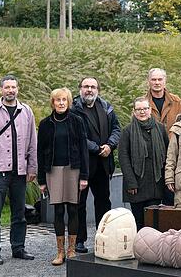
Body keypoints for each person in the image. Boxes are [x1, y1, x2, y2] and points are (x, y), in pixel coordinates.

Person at [0, 75, 37, 265]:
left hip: (19, 172)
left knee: (19, 214)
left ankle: (18, 247)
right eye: (7, 87)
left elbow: (32, 143)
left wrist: (32, 168)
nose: (10, 90)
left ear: (18, 89)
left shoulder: (26, 111)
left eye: (13, 87)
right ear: (1, 90)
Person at [37, 87, 89, 266]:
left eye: (64, 100)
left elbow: (83, 150)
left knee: (73, 209)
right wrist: (41, 179)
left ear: (68, 102)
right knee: (58, 211)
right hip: (53, 171)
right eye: (57, 100)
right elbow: (39, 152)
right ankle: (60, 252)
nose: (60, 103)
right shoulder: (45, 124)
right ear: (53, 103)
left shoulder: (77, 121)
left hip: (73, 169)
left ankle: (71, 250)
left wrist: (84, 176)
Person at [71, 77, 121, 253]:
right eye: (86, 86)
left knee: (103, 203)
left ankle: (103, 237)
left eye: (93, 87)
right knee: (79, 204)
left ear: (98, 89)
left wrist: (110, 145)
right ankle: (79, 240)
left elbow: (117, 128)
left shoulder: (106, 107)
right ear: (80, 89)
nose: (89, 90)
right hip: (82, 166)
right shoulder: (73, 109)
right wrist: (97, 148)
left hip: (102, 165)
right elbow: (76, 136)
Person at [120, 97, 169, 229]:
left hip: (155, 183)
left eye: (145, 109)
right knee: (139, 222)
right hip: (136, 185)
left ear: (150, 110)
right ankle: (139, 249)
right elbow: (123, 158)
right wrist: (131, 182)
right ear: (134, 111)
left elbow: (167, 154)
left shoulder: (160, 128)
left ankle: (153, 249)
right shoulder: (127, 131)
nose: (142, 112)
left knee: (153, 222)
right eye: (139, 109)